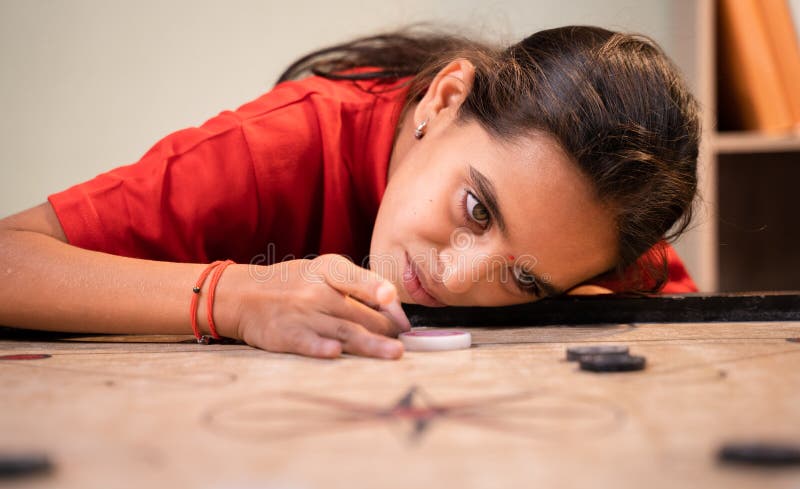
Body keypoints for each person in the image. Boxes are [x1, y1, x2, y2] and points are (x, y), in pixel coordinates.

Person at [0, 26, 699, 360]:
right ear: (444, 98)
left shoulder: (592, 229)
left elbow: (696, 339)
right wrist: (233, 297)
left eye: (523, 278)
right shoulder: (277, 146)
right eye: (476, 208)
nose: (455, 276)